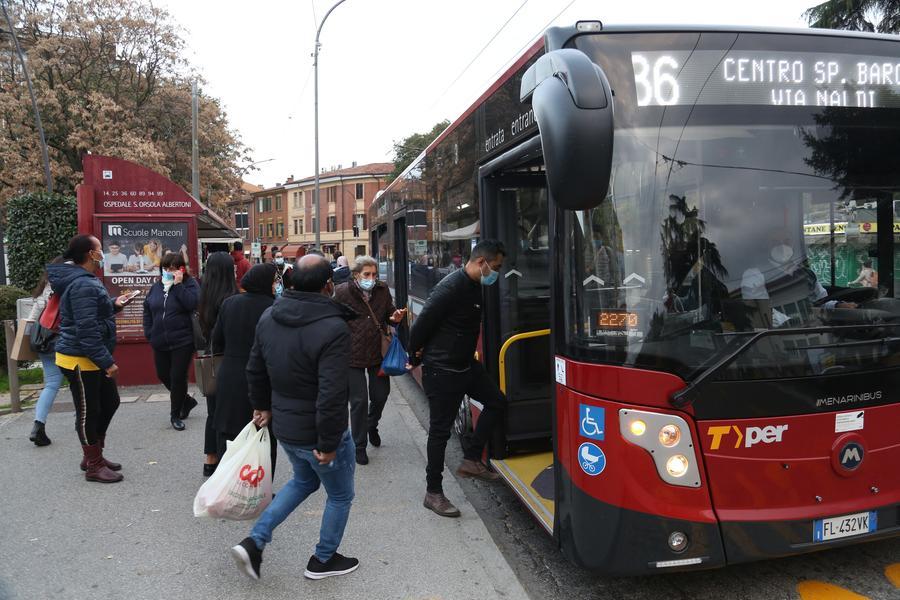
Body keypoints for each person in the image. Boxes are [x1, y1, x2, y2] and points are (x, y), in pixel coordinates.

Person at [230, 254, 359, 582]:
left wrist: (261, 405)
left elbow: (254, 368)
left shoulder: (270, 316)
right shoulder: (334, 327)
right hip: (319, 432)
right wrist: (329, 442)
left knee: (304, 480)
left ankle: (255, 541)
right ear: (329, 285)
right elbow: (332, 393)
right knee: (341, 494)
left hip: (286, 427)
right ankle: (323, 559)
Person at [407, 239, 507, 518]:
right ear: (480, 262)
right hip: (442, 370)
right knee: (440, 431)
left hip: (464, 365)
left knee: (497, 402)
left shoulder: (475, 285)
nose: (495, 272)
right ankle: (433, 492)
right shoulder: (450, 288)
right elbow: (421, 325)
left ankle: (472, 459)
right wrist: (414, 355)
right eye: (495, 267)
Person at [48, 234, 135, 483]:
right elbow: (86, 331)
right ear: (90, 253)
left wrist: (114, 304)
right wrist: (107, 361)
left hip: (90, 357)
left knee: (110, 402)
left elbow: (90, 314)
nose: (102, 253)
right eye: (99, 249)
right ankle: (93, 464)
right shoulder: (83, 283)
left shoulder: (84, 280)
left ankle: (94, 453)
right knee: (89, 412)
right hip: (79, 359)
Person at [334, 256, 406, 465]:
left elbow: (389, 312)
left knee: (381, 395)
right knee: (358, 402)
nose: (371, 278)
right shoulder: (342, 292)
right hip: (351, 355)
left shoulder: (382, 290)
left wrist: (395, 317)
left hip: (377, 353)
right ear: (356, 275)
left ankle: (371, 424)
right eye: (367, 274)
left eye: (374, 274)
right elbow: (333, 317)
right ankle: (360, 445)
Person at [211, 263, 277, 470]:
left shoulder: (229, 303)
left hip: (230, 373)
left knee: (228, 431)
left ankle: (225, 482)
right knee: (263, 432)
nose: (276, 285)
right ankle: (258, 487)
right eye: (274, 280)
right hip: (262, 375)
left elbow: (217, 341)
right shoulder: (273, 307)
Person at [143, 252, 200, 430]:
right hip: (159, 340)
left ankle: (175, 414)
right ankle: (187, 401)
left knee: (177, 377)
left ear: (181, 269)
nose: (169, 271)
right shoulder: (157, 287)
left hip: (183, 340)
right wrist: (149, 332)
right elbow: (148, 308)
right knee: (163, 375)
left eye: (173, 268)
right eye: (166, 268)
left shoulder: (190, 284)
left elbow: (193, 303)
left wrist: (178, 285)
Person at [196, 251, 238, 476]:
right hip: (230, 361)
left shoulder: (204, 296)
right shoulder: (231, 299)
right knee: (229, 415)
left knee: (213, 412)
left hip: (212, 360)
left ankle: (209, 459)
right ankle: (225, 462)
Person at [26, 257, 66, 447]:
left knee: (51, 384)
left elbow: (32, 320)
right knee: (81, 379)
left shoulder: (44, 290)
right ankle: (85, 423)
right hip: (63, 341)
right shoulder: (67, 287)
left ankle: (38, 425)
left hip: (43, 342)